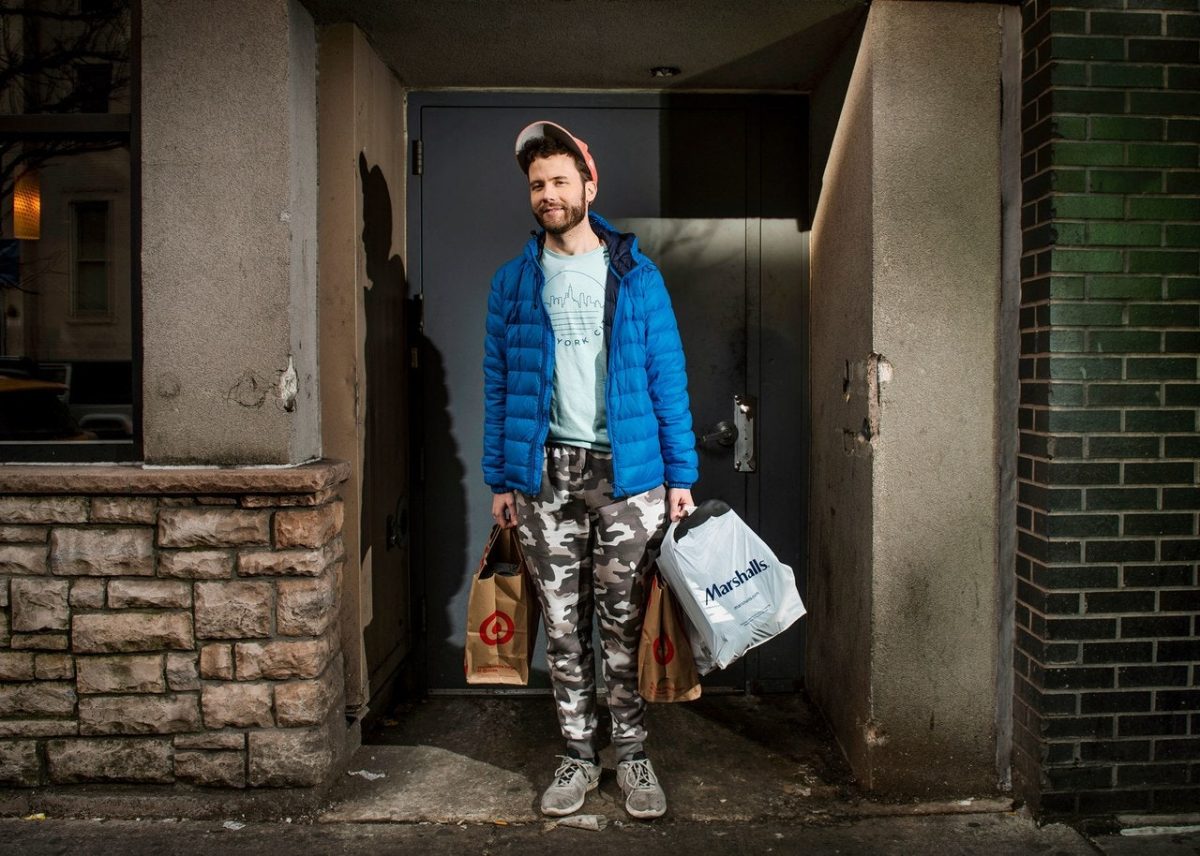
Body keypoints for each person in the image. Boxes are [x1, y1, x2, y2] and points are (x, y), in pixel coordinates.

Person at [482, 120, 698, 820]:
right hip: (546, 477)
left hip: (629, 478)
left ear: (589, 182)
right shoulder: (513, 282)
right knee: (565, 629)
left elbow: (668, 377)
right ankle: (577, 756)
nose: (548, 194)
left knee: (623, 624)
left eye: (559, 180)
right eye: (537, 184)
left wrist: (681, 476)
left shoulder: (636, 274)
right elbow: (499, 384)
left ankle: (631, 755)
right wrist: (500, 480)